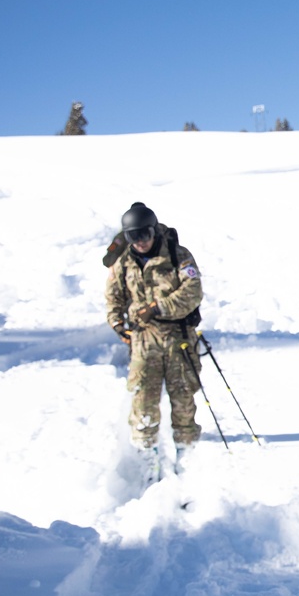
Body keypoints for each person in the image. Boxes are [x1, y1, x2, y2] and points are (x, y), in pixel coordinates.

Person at [105, 202, 204, 483]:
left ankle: (186, 455)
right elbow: (113, 296)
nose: (140, 242)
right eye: (133, 237)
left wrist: (159, 308)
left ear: (154, 231)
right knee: (143, 401)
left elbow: (193, 291)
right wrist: (117, 324)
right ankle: (149, 460)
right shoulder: (124, 261)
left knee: (183, 397)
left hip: (178, 339)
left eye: (145, 235)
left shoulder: (177, 255)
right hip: (144, 341)